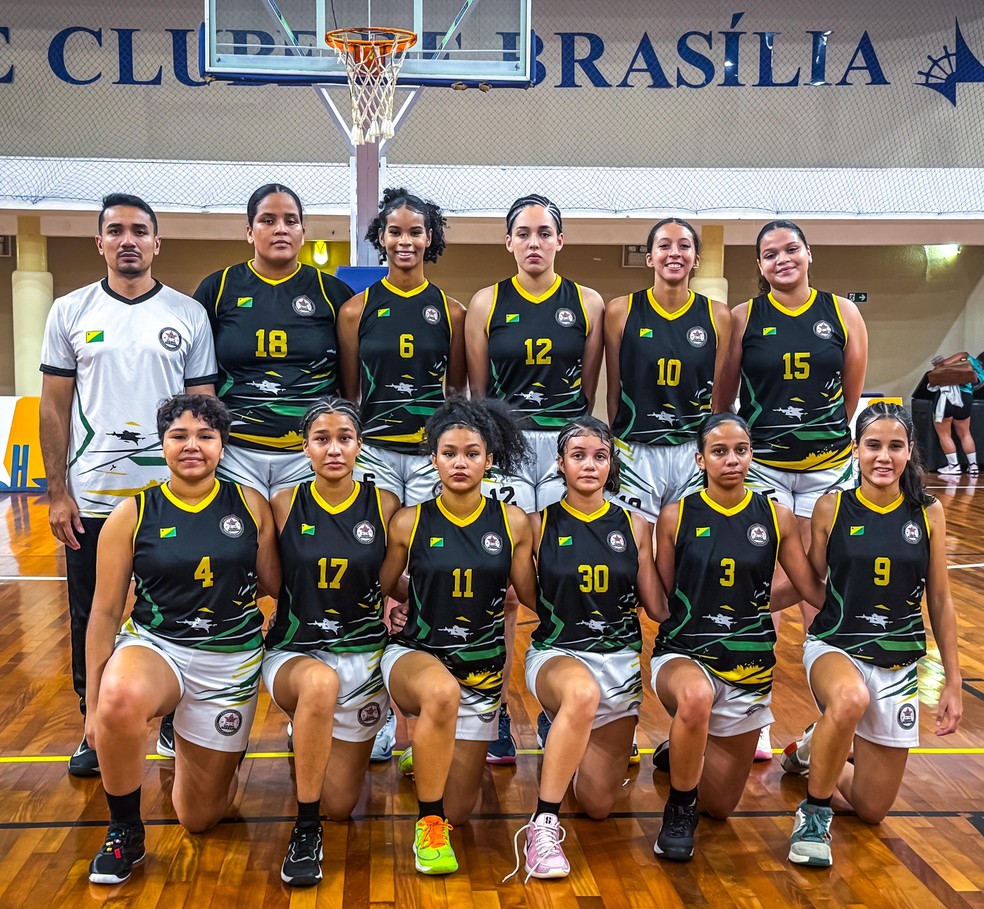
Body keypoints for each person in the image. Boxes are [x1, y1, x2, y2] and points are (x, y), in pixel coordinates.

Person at [39, 193, 217, 777]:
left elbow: (205, 411)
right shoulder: (69, 311)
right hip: (94, 495)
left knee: (174, 609)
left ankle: (171, 717)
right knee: (94, 612)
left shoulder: (188, 314)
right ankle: (93, 723)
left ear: (157, 242)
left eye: (139, 230)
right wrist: (57, 491)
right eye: (115, 230)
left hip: (174, 499)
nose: (128, 240)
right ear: (100, 243)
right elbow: (54, 407)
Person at [84, 395, 280, 885]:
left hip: (229, 660)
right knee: (120, 698)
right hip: (158, 646)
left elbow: (278, 584)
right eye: (179, 436)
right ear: (162, 442)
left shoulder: (251, 505)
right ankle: (124, 829)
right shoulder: (131, 513)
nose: (192, 446)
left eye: (205, 437)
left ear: (222, 444)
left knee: (200, 818)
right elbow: (105, 612)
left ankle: (193, 738)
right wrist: (92, 706)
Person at [780, 403, 962, 867]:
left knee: (872, 809)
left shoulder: (929, 512)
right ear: (855, 450)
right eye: (873, 445)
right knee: (849, 699)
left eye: (895, 446)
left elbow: (939, 599)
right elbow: (810, 582)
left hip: (899, 660)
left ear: (910, 452)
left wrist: (953, 682)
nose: (884, 456)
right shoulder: (832, 506)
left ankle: (814, 746)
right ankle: (814, 814)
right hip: (836, 645)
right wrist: (747, 606)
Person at [716, 219, 868, 760]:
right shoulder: (744, 317)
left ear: (808, 254)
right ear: (758, 265)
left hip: (828, 469)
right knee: (766, 585)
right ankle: (752, 716)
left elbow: (850, 400)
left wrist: (822, 446)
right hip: (764, 468)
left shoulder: (842, 313)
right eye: (769, 253)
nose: (781, 259)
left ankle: (830, 725)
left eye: (790, 249)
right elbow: (725, 395)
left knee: (820, 585)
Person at [464, 194, 605, 763]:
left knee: (562, 572)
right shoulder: (486, 302)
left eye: (545, 233)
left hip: (566, 448)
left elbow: (589, 384)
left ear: (560, 241)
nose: (534, 243)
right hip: (507, 444)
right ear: (508, 243)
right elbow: (479, 390)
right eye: (523, 233)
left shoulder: (588, 302)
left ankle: (554, 707)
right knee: (501, 579)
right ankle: (493, 709)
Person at [650, 413, 824, 863]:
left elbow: (805, 585)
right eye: (720, 451)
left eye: (741, 450)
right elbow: (669, 596)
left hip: (748, 661)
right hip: (684, 652)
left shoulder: (776, 515)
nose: (732, 459)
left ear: (752, 454)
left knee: (722, 807)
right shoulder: (675, 516)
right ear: (700, 458)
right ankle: (678, 809)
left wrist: (760, 602)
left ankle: (684, 747)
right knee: (693, 698)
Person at [378, 395, 536, 875]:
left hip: (482, 670)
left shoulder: (513, 522)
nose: (460, 462)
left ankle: (429, 753)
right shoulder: (409, 521)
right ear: (433, 458)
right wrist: (400, 599)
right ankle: (427, 826)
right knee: (440, 694)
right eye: (449, 452)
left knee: (461, 811)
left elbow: (530, 594)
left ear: (490, 459)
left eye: (471, 452)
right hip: (418, 654)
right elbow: (385, 585)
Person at [337, 187, 466, 762]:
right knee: (376, 569)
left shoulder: (453, 311)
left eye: (416, 232)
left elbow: (457, 390)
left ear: (430, 239)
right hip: (378, 454)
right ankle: (377, 710)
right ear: (380, 239)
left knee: (430, 572)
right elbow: (348, 392)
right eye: (395, 231)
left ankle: (425, 720)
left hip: (430, 455)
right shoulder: (357, 310)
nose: (406, 240)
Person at [505, 417, 660, 882]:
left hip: (620, 663)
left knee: (596, 806)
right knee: (580, 694)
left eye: (599, 456)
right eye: (579, 455)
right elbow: (530, 594)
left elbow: (654, 603)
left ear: (610, 464)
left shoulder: (635, 525)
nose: (589, 464)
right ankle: (542, 825)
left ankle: (564, 732)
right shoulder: (537, 524)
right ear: (561, 462)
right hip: (559, 652)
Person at [263, 397, 401, 885]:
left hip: (363, 654)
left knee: (341, 806)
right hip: (297, 651)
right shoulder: (283, 504)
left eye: (345, 438)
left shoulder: (385, 504)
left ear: (360, 445)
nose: (334, 449)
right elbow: (269, 581)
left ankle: (311, 733)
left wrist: (397, 601)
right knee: (317, 686)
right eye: (322, 439)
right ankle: (304, 830)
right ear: (306, 448)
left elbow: (392, 579)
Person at [193, 183, 354, 497]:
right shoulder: (218, 287)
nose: (281, 229)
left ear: (302, 232)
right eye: (268, 220)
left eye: (290, 221)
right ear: (250, 232)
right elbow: (198, 376)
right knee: (242, 544)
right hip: (235, 453)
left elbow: (351, 382)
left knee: (304, 544)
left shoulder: (332, 292)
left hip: (309, 455)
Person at [605, 218, 732, 523]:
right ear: (649, 257)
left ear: (696, 259)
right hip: (636, 448)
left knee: (689, 545)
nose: (674, 253)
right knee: (631, 547)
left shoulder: (718, 315)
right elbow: (613, 389)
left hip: (691, 450)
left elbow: (717, 395)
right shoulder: (620, 311)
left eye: (684, 246)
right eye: (664, 246)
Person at [928, 351, 983, 476]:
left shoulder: (966, 355)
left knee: (944, 433)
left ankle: (953, 466)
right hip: (966, 398)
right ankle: (973, 465)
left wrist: (939, 364)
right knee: (965, 433)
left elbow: (945, 363)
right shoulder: (981, 373)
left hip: (948, 396)